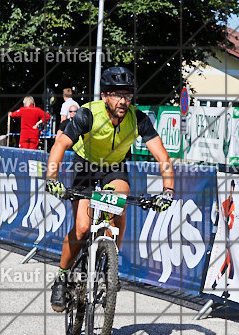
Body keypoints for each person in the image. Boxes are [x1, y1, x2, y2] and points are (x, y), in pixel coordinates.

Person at [44, 66, 175, 310]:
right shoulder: (88, 114)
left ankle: (110, 268)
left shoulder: (139, 119)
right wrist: (52, 178)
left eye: (127, 95)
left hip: (114, 168)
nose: (123, 100)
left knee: (119, 206)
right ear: (104, 96)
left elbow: (163, 157)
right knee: (82, 228)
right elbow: (61, 144)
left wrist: (168, 191)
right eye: (116, 94)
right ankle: (62, 278)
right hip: (85, 167)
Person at [210, 179, 235, 296]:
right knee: (231, 267)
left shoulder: (232, 205)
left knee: (226, 263)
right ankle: (226, 290)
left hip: (231, 238)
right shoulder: (224, 204)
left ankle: (215, 283)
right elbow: (216, 217)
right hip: (227, 238)